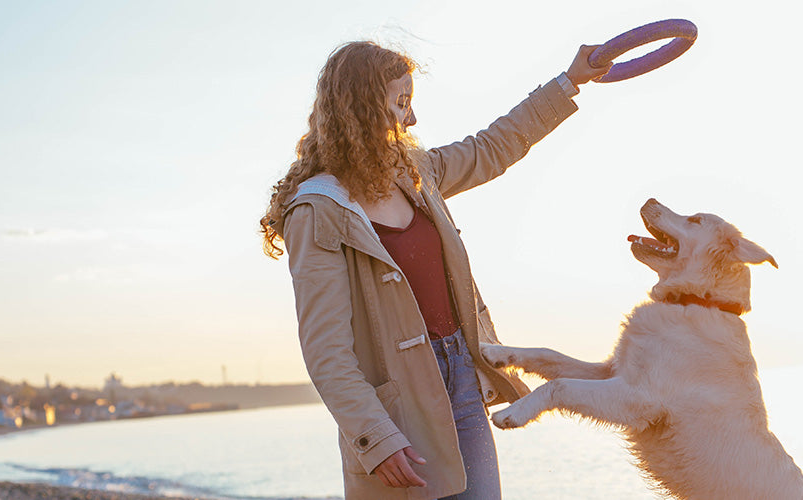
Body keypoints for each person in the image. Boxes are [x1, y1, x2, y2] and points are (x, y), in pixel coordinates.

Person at [258, 40, 610, 500]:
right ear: (361, 107)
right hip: (398, 403)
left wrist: (570, 81)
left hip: (462, 375)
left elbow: (492, 147)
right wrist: (375, 438)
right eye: (401, 103)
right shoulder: (317, 210)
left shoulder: (414, 170)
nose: (412, 118)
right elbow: (326, 351)